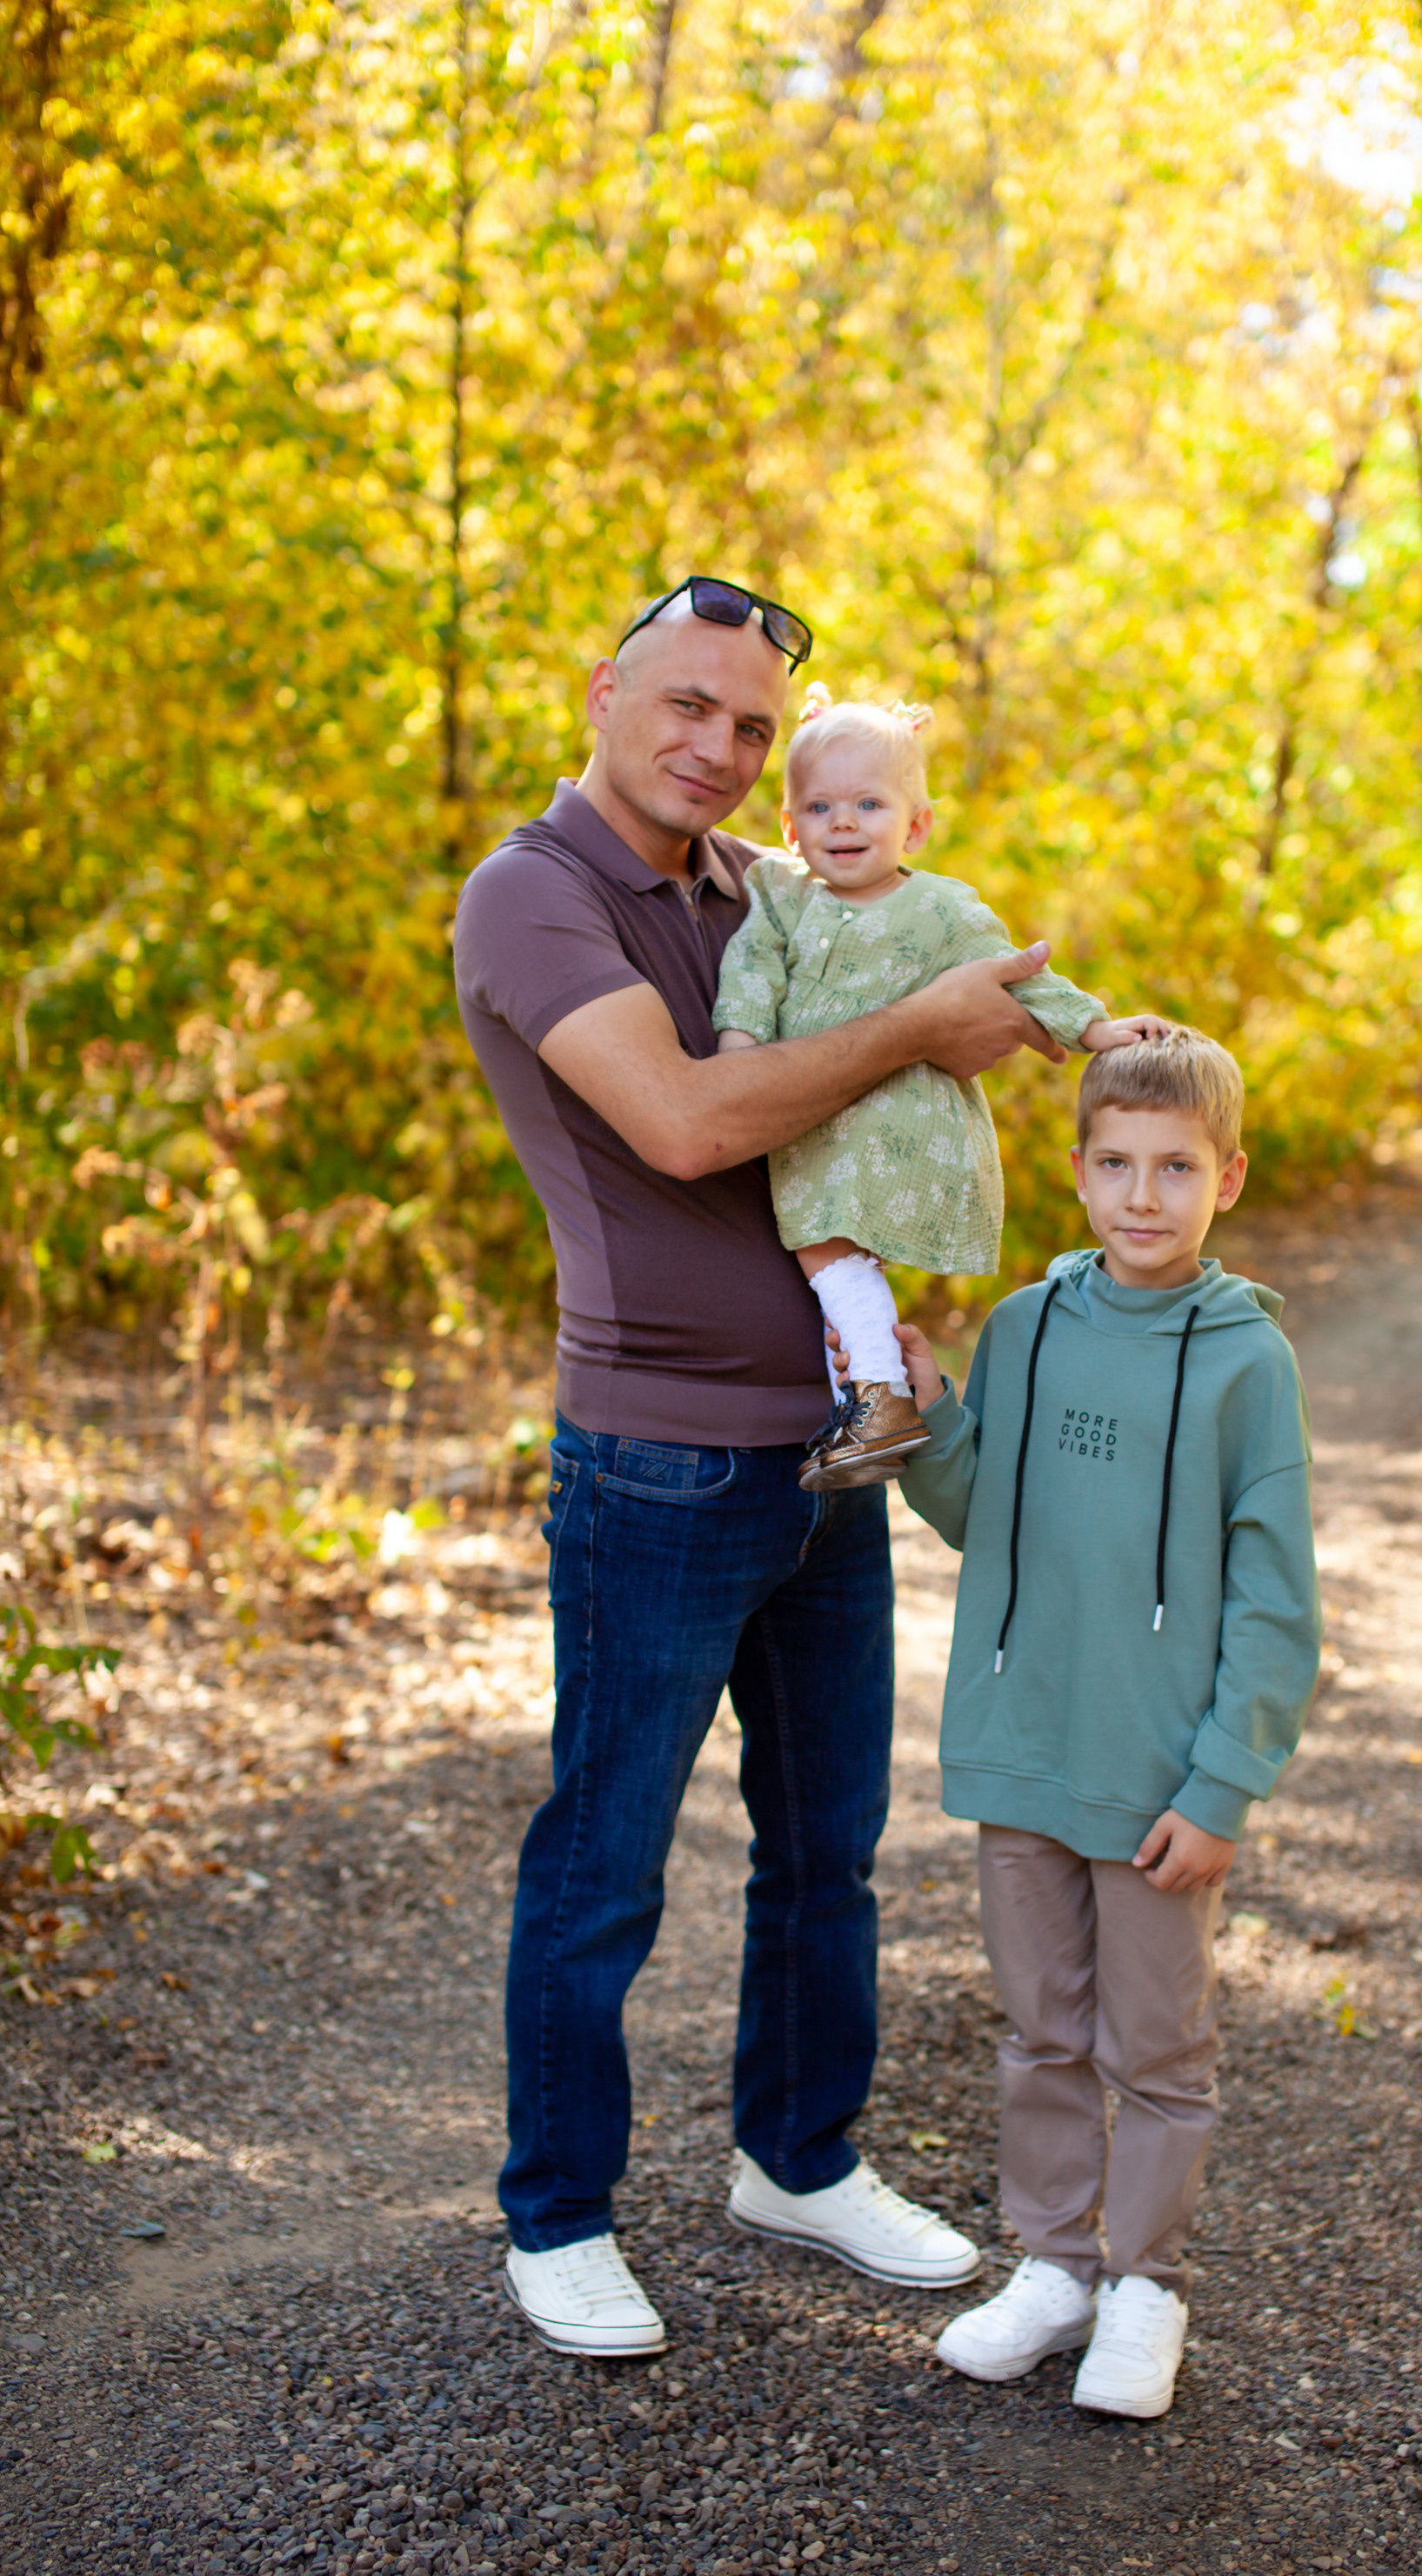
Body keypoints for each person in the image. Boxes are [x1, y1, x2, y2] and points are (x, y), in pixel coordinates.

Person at [452, 577, 1072, 2359]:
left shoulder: (763, 884)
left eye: (750, 727)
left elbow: (842, 1126)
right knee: (608, 1855)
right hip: (654, 1456)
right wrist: (917, 1030)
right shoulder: (536, 894)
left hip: (820, 1441)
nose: (720, 749)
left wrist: (879, 1315)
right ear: (604, 689)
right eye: (691, 708)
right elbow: (690, 1121)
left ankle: (795, 2160)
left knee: (830, 1847)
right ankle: (556, 2211)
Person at [891, 1030, 1321, 2418]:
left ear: (1227, 1178)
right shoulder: (1024, 1326)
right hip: (1025, 1746)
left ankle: (1146, 2289)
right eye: (1119, 1164)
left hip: (1155, 1782)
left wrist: (1223, 1783)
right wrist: (931, 1417)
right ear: (1076, 1171)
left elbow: (1275, 1601)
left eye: (1177, 1168)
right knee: (1038, 2034)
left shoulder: (1251, 1363)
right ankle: (1056, 2266)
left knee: (1160, 2046)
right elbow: (977, 1518)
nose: (1145, 1195)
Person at [713, 686, 1165, 1488]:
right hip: (818, 1126)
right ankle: (861, 1408)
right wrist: (739, 1046)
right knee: (834, 1263)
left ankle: (882, 1401)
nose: (843, 822)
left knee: (823, 1247)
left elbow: (1024, 979)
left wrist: (1095, 1029)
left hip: (897, 1123)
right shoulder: (782, 899)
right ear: (789, 829)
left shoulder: (940, 910)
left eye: (868, 804)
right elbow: (750, 970)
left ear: (915, 824)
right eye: (819, 807)